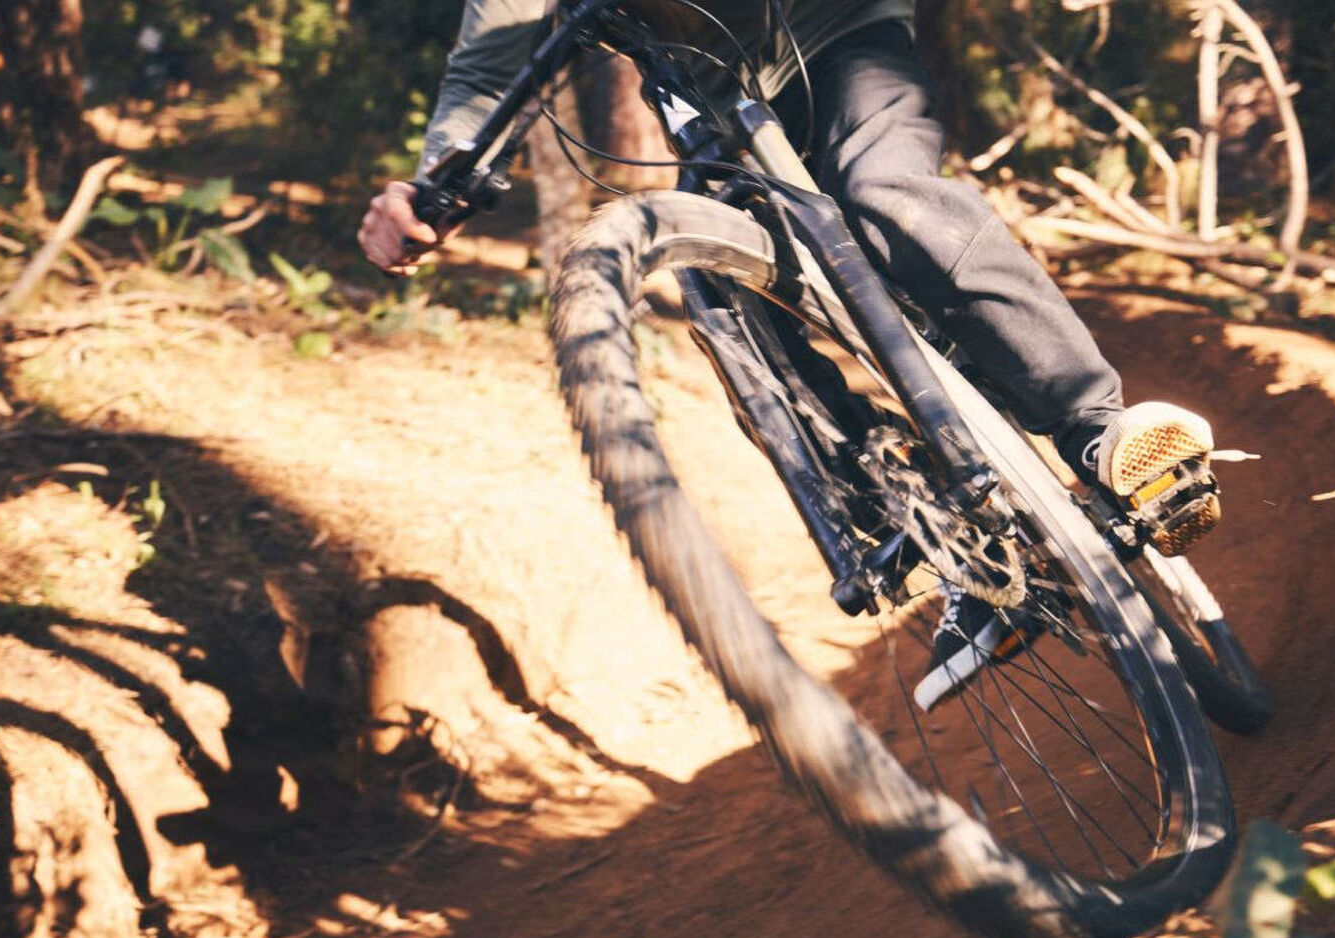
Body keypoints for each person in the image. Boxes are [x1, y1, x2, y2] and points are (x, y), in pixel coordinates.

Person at [356, 0, 1220, 699]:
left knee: (887, 193)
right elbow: (485, 64)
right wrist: (435, 184)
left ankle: (1098, 433)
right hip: (710, 108)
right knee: (715, 286)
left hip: (839, 39)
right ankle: (929, 535)